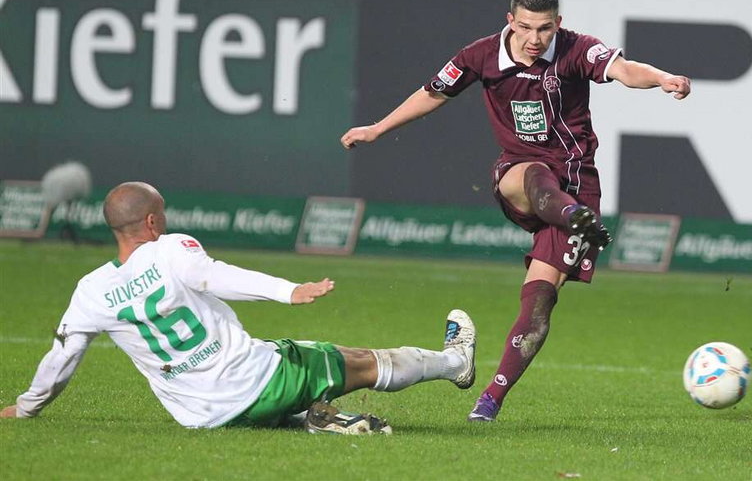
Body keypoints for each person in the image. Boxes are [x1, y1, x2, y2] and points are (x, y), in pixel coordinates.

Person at [340, 0, 690, 422]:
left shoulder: (575, 49)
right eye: (525, 27)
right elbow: (433, 93)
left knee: (540, 302)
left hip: (578, 180)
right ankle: (571, 217)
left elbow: (623, 69)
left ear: (557, 25)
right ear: (510, 21)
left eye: (544, 29)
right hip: (521, 173)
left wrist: (662, 79)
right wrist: (375, 129)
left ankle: (490, 399)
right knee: (534, 176)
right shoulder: (481, 55)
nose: (534, 39)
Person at [0, 182, 476, 433]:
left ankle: (317, 421)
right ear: (150, 221)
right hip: (256, 381)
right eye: (161, 212)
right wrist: (289, 290)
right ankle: (457, 361)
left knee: (280, 354)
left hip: (201, 414)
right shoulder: (169, 249)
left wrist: (26, 408)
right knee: (362, 361)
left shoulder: (91, 289)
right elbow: (218, 276)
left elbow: (61, 359)